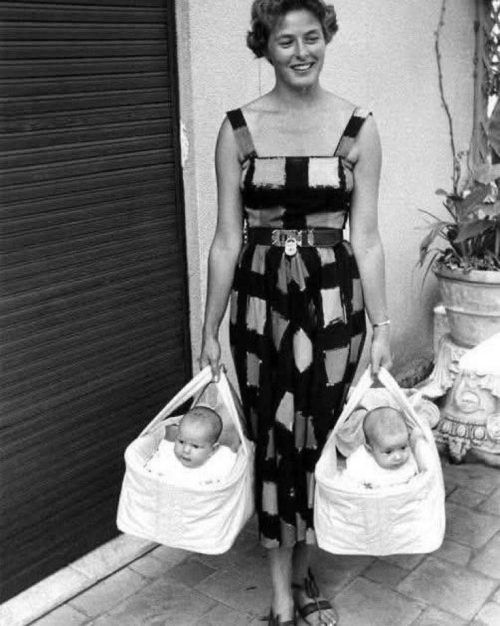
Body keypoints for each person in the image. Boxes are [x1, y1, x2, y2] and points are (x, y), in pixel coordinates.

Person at [199, 1, 392, 624]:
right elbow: (226, 240)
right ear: (265, 45)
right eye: (286, 40)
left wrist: (382, 327)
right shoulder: (238, 130)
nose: (302, 51)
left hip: (334, 304)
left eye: (313, 37)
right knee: (274, 439)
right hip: (261, 307)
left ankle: (304, 569)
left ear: (327, 38)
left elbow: (367, 239)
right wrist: (209, 328)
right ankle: (283, 594)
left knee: (320, 435)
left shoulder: (359, 128)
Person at [145, 406, 237, 487]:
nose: (186, 450)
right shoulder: (166, 454)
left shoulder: (222, 461)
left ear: (213, 450)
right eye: (181, 442)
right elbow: (149, 473)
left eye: (195, 446)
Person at [343, 407, 419, 489]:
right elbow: (348, 483)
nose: (398, 457)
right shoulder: (362, 464)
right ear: (370, 450)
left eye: (403, 447)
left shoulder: (412, 457)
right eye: (388, 452)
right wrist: (363, 488)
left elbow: (421, 476)